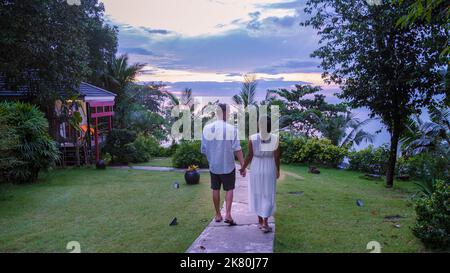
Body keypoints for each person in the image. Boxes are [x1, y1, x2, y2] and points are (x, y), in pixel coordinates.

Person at [201, 104, 246, 226]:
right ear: (225, 113)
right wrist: (243, 165)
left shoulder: (207, 128)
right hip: (228, 165)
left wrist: (212, 159)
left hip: (214, 166)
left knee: (215, 189)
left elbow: (204, 149)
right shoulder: (232, 129)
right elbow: (237, 149)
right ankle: (228, 214)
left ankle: (217, 215)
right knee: (229, 189)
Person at [240, 115, 280, 233]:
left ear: (259, 125)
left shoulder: (253, 138)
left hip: (256, 167)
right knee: (268, 194)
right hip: (269, 167)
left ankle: (260, 221)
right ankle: (265, 223)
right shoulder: (275, 138)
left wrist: (243, 168)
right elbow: (277, 157)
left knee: (257, 192)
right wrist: (278, 170)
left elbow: (249, 155)